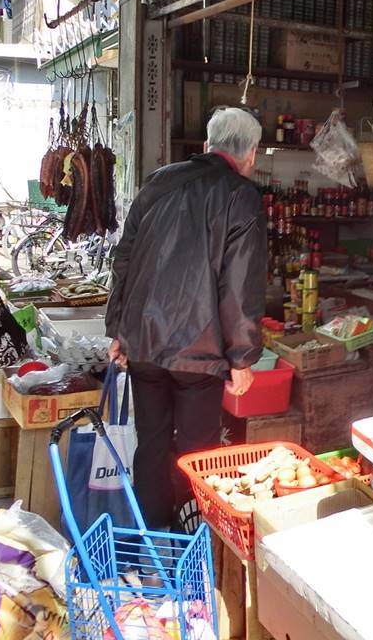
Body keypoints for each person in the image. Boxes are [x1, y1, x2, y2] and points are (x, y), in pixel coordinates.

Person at [106, 107, 267, 530]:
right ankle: (192, 539)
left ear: (207, 145)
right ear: (251, 153)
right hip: (200, 352)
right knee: (198, 451)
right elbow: (241, 284)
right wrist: (242, 357)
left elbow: (124, 258)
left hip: (144, 344)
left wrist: (119, 330)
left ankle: (152, 536)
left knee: (152, 443)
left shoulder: (159, 181)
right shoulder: (241, 195)